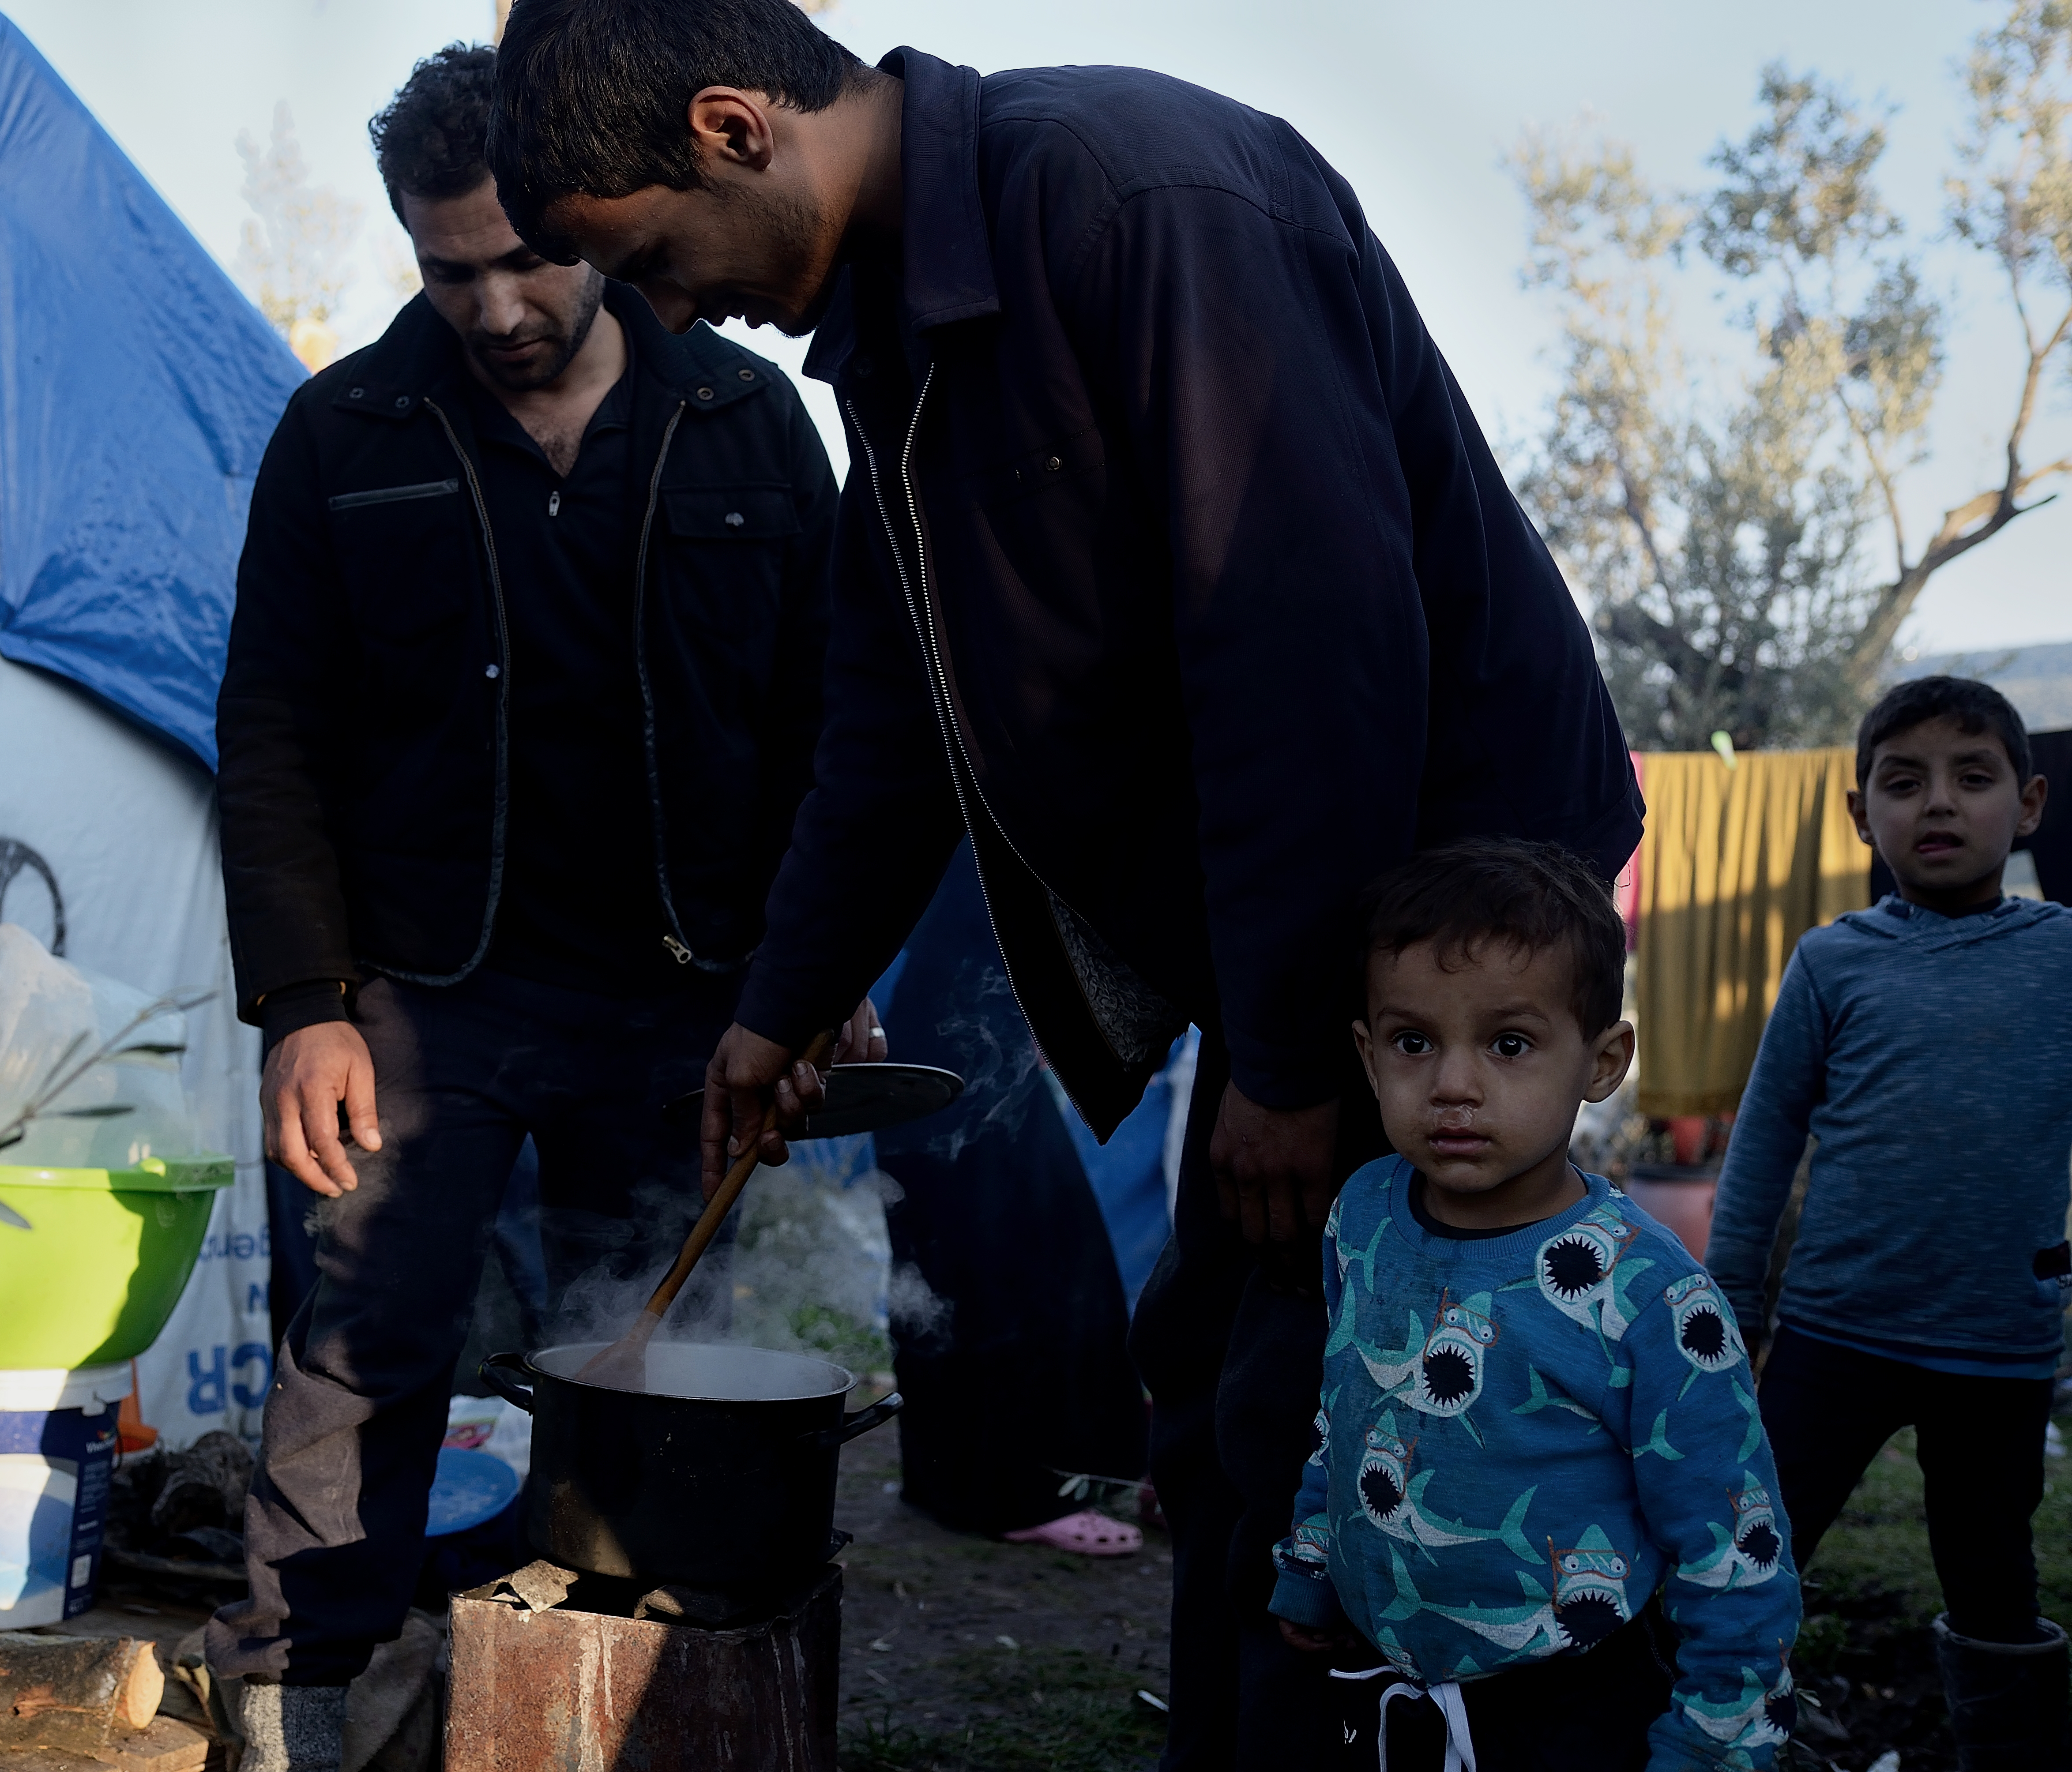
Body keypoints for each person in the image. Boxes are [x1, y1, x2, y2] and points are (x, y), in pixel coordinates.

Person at [483, 5, 1643, 1758]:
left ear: (732, 129)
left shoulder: (1128, 205)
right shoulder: (889, 334)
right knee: (1225, 1392)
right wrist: (779, 1005)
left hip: (1452, 960)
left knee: (1337, 1418)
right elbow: (891, 715)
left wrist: (1289, 1057)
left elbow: (1302, 653)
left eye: (642, 257)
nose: (658, 311)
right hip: (1317, 961)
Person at [203, 45, 865, 1768]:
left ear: (587, 219)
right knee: (362, 1339)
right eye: (448, 269)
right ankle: (296, 1692)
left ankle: (622, 1693)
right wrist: (301, 1002)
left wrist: (817, 972)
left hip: (681, 989)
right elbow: (268, 734)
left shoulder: (747, 420)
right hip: (426, 992)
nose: (495, 305)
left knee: (648, 1359)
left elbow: (830, 720)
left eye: (528, 259)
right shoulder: (337, 437)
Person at [1271, 839, 1799, 1771]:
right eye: (1412, 1042)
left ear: (1601, 1061)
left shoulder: (1651, 1295)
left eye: (1508, 1043)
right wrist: (1313, 1565)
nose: (1452, 1086)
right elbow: (1346, 1410)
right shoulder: (1360, 1216)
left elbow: (1732, 1540)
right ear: (1366, 1051)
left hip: (1568, 1703)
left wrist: (1714, 1738)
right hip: (1381, 1674)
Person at [1707, 676, 2068, 1768]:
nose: (1939, 804)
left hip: (1996, 1341)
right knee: (1753, 1549)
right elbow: (1764, 1142)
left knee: (1991, 1574)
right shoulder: (1830, 961)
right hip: (1832, 1330)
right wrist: (1729, 1304)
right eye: (1902, 783)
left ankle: (2003, 1749)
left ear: (2030, 803)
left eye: (1972, 777)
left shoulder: (2063, 953)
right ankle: (1719, 1727)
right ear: (1860, 813)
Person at [871, 843, 1148, 1554]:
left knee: (1059, 1246)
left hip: (996, 1020)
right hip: (952, 1032)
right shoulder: (987, 758)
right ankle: (1001, 1491)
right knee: (983, 1266)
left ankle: (1085, 1468)